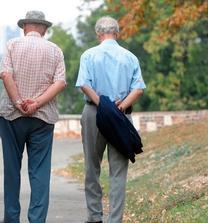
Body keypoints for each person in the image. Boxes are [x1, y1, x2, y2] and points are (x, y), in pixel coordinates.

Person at [0, 10, 66, 223]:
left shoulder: (12, 45)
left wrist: (19, 102)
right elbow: (60, 82)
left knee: (12, 170)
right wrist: (36, 104)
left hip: (11, 116)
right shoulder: (55, 50)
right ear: (44, 29)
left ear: (25, 27)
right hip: (43, 118)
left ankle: (11, 219)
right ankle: (37, 220)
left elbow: (5, 74)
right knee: (40, 172)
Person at [75, 16, 146, 223]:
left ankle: (95, 217)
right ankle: (115, 220)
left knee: (91, 166)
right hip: (121, 115)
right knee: (118, 172)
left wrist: (102, 105)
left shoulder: (88, 55)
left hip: (93, 112)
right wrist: (120, 107)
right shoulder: (130, 57)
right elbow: (138, 88)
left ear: (98, 34)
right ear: (118, 33)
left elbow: (84, 85)